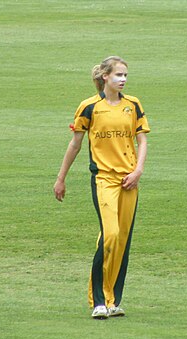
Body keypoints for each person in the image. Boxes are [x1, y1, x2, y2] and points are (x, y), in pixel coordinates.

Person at [53, 56, 150, 319]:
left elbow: (142, 141)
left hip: (129, 180)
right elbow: (75, 144)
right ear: (105, 76)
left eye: (126, 75)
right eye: (118, 75)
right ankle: (98, 301)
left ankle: (113, 300)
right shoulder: (89, 107)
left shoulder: (133, 105)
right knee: (110, 234)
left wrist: (138, 172)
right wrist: (61, 178)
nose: (123, 80)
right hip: (104, 179)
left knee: (122, 240)